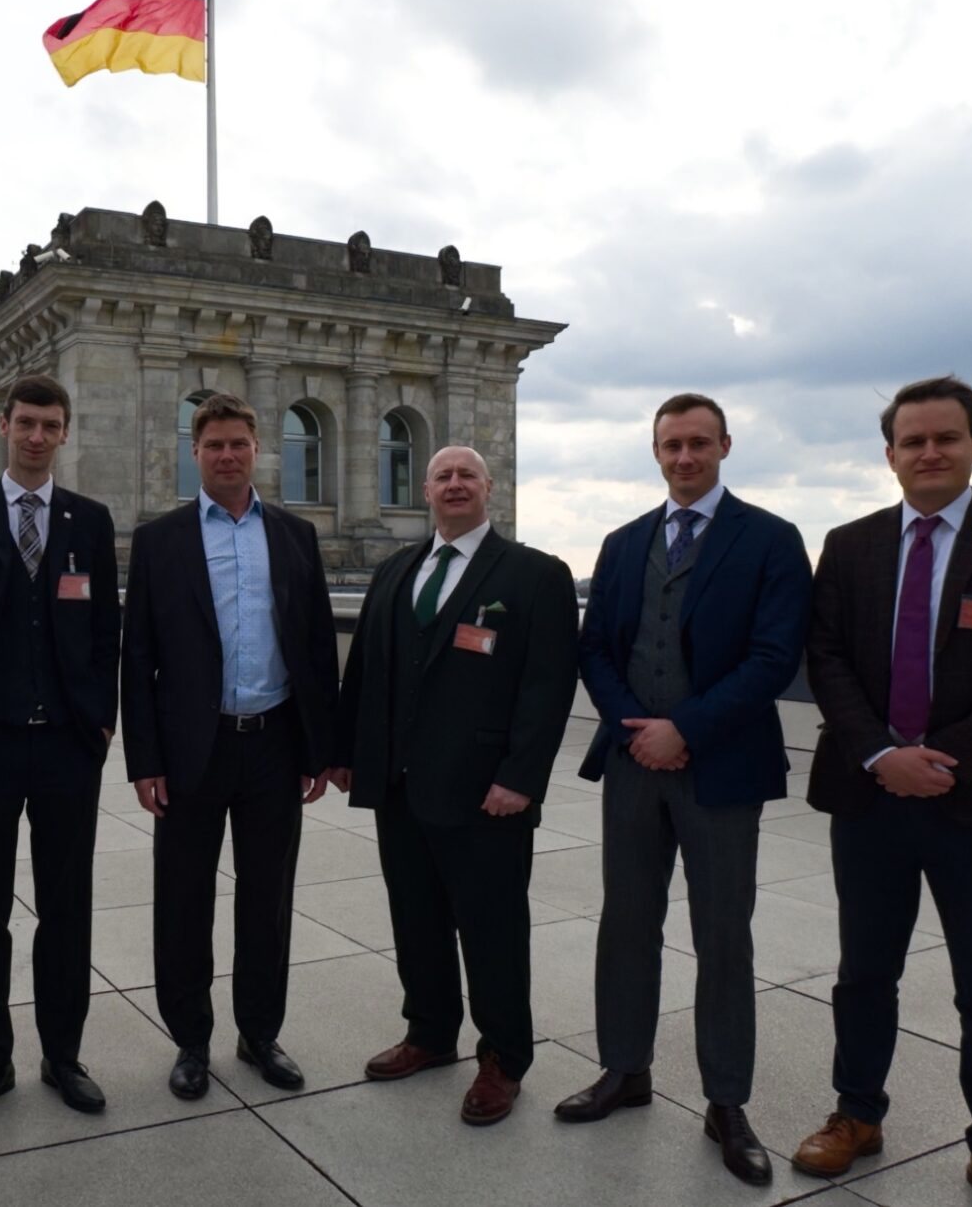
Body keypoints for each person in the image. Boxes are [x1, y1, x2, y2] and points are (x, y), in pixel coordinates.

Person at [794, 376, 972, 1207]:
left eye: (945, 438)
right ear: (889, 455)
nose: (928, 453)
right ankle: (856, 1113)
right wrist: (882, 753)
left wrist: (944, 756)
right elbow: (828, 660)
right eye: (911, 441)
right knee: (863, 972)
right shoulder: (850, 544)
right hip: (871, 795)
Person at [556, 394, 811, 1183]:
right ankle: (625, 1070)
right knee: (626, 922)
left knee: (723, 937)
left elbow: (774, 658)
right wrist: (637, 724)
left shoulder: (771, 540)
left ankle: (726, 1102)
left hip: (722, 771)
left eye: (699, 443)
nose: (684, 457)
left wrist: (686, 729)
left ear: (725, 446)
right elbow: (595, 647)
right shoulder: (623, 542)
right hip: (634, 766)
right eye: (671, 445)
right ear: (655, 451)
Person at [333, 445, 577, 1126]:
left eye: (467, 474)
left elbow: (548, 685)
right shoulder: (396, 572)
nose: (454, 484)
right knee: (416, 919)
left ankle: (503, 1058)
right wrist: (350, 752)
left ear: (488, 489)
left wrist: (520, 778)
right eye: (442, 475)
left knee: (492, 928)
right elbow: (366, 672)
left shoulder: (535, 575)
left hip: (486, 793)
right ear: (426, 491)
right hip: (401, 787)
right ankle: (430, 1034)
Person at [120, 392, 339, 1101]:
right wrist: (144, 760)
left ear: (257, 450)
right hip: (193, 748)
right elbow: (138, 659)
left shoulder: (294, 536)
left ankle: (259, 1031)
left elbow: (313, 649)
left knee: (268, 898)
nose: (226, 455)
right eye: (213, 444)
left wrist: (319, 748)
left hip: (273, 743)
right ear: (195, 453)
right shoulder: (162, 541)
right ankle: (191, 1039)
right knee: (183, 899)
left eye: (239, 443)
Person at [0, 375, 120, 1124]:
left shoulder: (88, 523)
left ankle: (62, 1055)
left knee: (67, 907)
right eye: (26, 423)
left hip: (69, 745)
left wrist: (99, 720)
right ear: (4, 426)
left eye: (51, 425)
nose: (37, 436)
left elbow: (106, 631)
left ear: (65, 433)